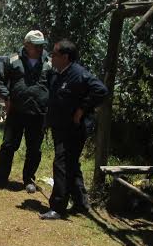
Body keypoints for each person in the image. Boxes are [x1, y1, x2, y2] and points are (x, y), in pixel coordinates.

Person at [39, 40, 108, 220]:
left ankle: (58, 207)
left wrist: (81, 109)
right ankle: (81, 202)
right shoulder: (58, 74)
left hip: (73, 129)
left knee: (61, 164)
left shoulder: (78, 74)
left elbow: (101, 91)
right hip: (59, 127)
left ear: (65, 57)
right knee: (71, 164)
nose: (51, 57)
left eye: (54, 54)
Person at [0, 30, 51, 194]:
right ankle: (0, 179)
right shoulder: (13, 59)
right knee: (8, 145)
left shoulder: (49, 61)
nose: (39, 48)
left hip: (38, 112)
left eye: (41, 45)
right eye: (35, 45)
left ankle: (29, 180)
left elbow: (55, 83)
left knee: (34, 148)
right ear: (26, 44)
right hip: (16, 111)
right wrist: (6, 97)